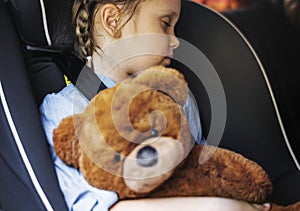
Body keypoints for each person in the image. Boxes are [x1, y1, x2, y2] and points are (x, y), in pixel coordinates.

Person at [40, 0, 271, 210]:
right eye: (165, 23)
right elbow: (95, 207)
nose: (176, 40)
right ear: (113, 21)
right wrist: (223, 208)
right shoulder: (65, 110)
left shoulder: (178, 97)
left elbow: (199, 172)